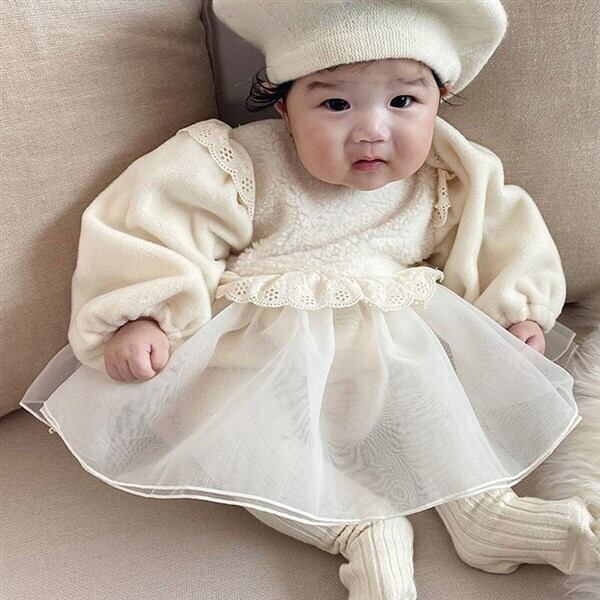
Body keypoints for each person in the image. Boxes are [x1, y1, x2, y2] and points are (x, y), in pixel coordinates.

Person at [20, 1, 599, 597]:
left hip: (393, 363)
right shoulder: (243, 163)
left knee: (434, 404)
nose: (372, 129)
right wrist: (144, 314)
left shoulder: (444, 176)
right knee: (233, 434)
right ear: (285, 108)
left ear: (440, 100)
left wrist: (515, 311)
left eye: (403, 101)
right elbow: (160, 226)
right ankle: (360, 530)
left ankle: (484, 512)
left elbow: (497, 233)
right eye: (335, 104)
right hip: (259, 367)